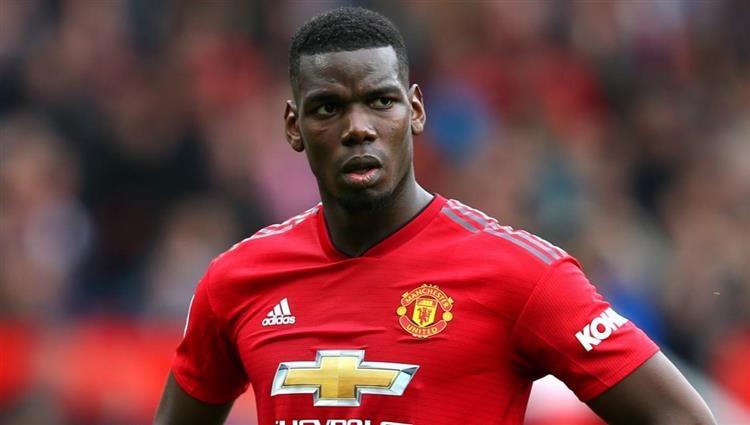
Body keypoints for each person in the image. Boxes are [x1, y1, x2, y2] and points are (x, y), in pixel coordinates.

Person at [154, 7, 716, 425]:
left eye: (380, 101)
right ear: (293, 126)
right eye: (328, 107)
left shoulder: (519, 274)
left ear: (416, 110)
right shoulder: (237, 280)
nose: (358, 128)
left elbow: (680, 417)